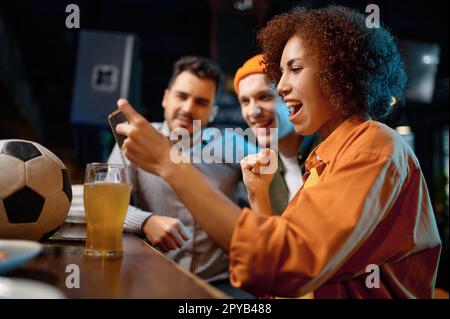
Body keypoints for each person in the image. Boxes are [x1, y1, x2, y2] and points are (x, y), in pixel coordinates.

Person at [114, 6, 442, 298]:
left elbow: (291, 264)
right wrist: (258, 195)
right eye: (281, 73)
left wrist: (169, 166)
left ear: (337, 73)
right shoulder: (326, 157)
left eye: (295, 69)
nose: (281, 85)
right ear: (165, 97)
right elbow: (275, 269)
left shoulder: (374, 145)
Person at [108, 56, 255, 297]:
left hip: (222, 282)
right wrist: (145, 221)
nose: (188, 108)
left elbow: (276, 190)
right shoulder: (134, 140)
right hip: (155, 275)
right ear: (166, 97)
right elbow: (106, 206)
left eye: (201, 102)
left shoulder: (235, 145)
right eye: (181, 96)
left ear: (213, 111)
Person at [234, 54, 319, 213]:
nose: (253, 111)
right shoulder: (260, 172)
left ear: (289, 96)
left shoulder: (330, 150)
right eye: (245, 101)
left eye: (264, 97)